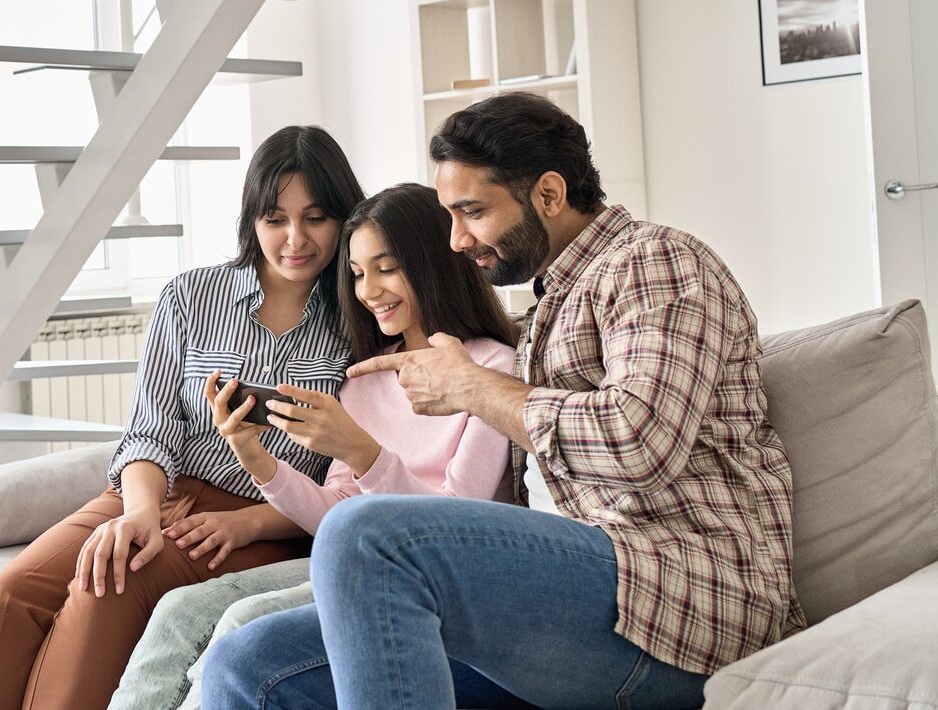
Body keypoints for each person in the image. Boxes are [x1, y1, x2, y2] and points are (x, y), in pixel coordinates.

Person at [202, 92, 808, 710]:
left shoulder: (656, 263)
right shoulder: (547, 306)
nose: (457, 241)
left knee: (367, 534)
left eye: (472, 212)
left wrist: (468, 387)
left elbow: (639, 442)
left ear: (548, 194)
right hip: (567, 602)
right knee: (246, 660)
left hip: (680, 599)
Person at [0, 125, 365, 710]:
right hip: (155, 491)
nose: (295, 238)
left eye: (316, 218)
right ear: (252, 220)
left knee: (107, 586)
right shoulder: (190, 296)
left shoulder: (361, 319)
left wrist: (251, 523)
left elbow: (351, 483)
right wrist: (140, 511)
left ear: (343, 219)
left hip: (266, 518)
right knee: (7, 595)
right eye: (275, 219)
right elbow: (150, 429)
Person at [109, 183, 519, 710]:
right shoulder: (364, 380)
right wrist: (255, 456)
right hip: (350, 557)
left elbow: (454, 526)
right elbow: (334, 515)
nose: (369, 290)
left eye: (387, 268)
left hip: (437, 578)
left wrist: (364, 454)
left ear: (434, 264)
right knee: (180, 611)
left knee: (240, 622)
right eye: (357, 272)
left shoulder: (490, 371)